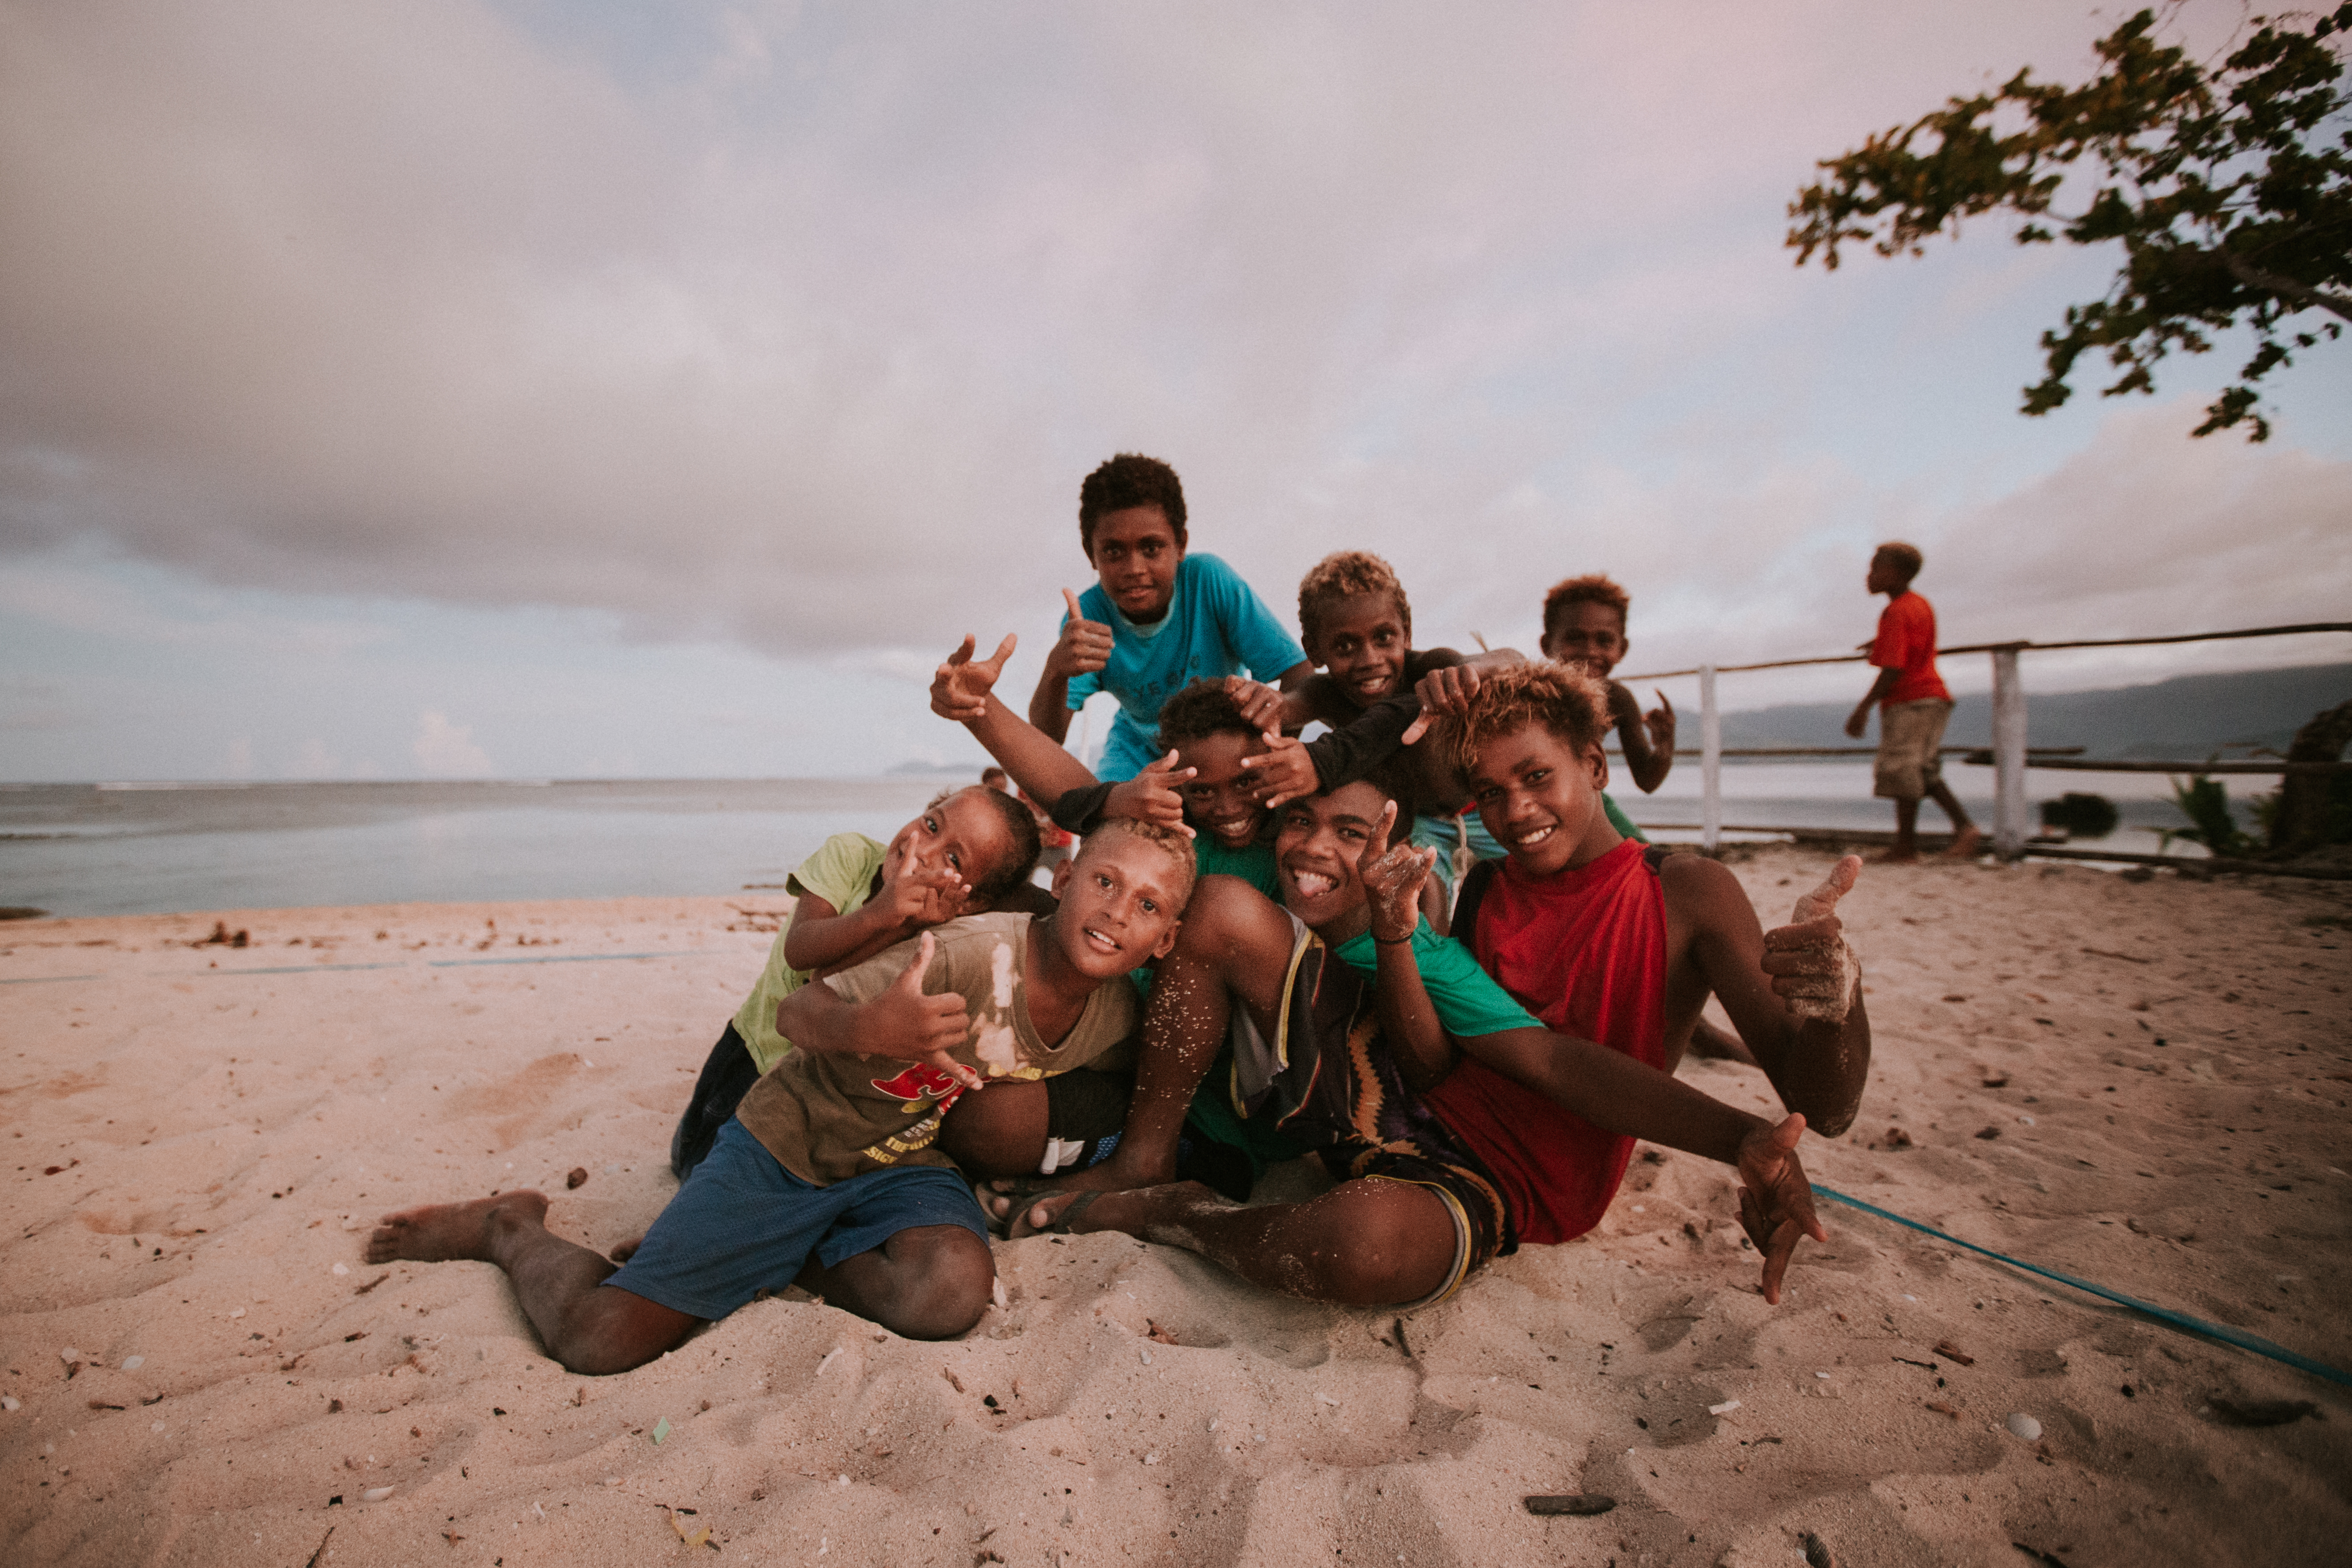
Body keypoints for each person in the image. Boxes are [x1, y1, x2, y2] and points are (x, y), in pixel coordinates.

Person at [361, 820, 1193, 1372]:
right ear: (1065, 877)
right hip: (787, 1147)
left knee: (948, 1295)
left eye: (1147, 905)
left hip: (902, 1159)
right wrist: (874, 1028)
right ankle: (509, 1227)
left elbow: (1144, 1079)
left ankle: (785, 1256)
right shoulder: (972, 955)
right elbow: (801, 1008)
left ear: (1167, 939)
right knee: (598, 1342)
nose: (1118, 913)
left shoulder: (1117, 1011)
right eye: (1106, 883)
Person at [993, 767, 1835, 1308]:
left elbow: (1528, 1058)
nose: (1314, 847)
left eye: (1350, 833)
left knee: (1360, 1253)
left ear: (1393, 842)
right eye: (1297, 822)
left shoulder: (1424, 937)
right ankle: (1145, 1158)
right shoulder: (1279, 902)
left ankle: (1182, 1215)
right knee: (1212, 908)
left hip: (1463, 1163)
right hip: (1343, 1109)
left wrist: (1743, 1138)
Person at [1427, 659, 1872, 1246]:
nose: (1514, 812)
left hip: (1546, 1178)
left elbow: (1823, 1108)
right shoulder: (1484, 887)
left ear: (1594, 765)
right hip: (1448, 1132)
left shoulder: (1688, 891)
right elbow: (1458, 1051)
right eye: (1489, 793)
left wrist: (1836, 1008)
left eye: (1536, 776)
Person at [666, 785, 1048, 1179]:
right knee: (690, 1158)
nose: (923, 850)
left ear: (968, 901)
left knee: (740, 1171)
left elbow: (826, 984)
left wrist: (910, 926)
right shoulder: (849, 856)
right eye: (931, 824)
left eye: (952, 858)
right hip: (756, 1046)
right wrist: (884, 915)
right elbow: (801, 954)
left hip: (817, 1083)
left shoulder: (944, 935)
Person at [1025, 453, 1311, 781]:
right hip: (1140, 758)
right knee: (1110, 828)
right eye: (1114, 551)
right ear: (1092, 554)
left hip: (1222, 752)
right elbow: (1047, 738)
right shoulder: (1086, 618)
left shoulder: (1209, 581)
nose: (1134, 569)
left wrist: (1268, 753)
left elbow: (1298, 673)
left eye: (1151, 548)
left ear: (1180, 545)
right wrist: (1055, 671)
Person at [1280, 550, 1520, 929]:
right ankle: (1434, 970)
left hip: (1477, 811)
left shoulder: (1432, 667)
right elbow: (1289, 704)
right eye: (1344, 646)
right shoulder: (1325, 693)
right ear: (1314, 650)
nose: (1369, 659)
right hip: (1415, 822)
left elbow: (1512, 660)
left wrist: (1471, 672)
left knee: (1559, 858)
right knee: (1422, 902)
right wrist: (1267, 706)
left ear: (1405, 631)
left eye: (1383, 637)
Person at [1843, 543, 1980, 862]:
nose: (1869, 575)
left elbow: (1894, 667)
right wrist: (1881, 642)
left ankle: (1913, 844)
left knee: (1904, 769)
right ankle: (1951, 832)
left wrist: (1862, 708)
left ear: (1897, 573)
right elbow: (1913, 645)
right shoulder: (1918, 606)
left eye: (1877, 568)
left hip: (1911, 699)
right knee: (1921, 771)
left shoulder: (1896, 610)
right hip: (1931, 697)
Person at [1538, 573, 1668, 842]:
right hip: (1531, 802)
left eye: (1604, 641)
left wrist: (1665, 744)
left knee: (1646, 860)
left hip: (1591, 800)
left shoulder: (1617, 699)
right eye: (1575, 639)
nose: (1590, 651)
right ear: (1547, 646)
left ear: (1622, 648)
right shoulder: (1535, 694)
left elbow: (1647, 780)